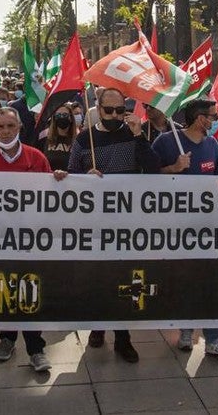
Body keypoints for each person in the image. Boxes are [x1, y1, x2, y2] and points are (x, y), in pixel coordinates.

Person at [0, 107, 64, 372]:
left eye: (10, 126)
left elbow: (51, 196)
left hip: (30, 237)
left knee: (30, 287)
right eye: (0, 127)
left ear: (19, 128)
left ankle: (36, 348)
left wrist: (61, 180)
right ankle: (7, 338)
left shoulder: (36, 157)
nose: (5, 132)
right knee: (3, 287)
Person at [68, 87, 159, 363]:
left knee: (123, 276)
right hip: (95, 223)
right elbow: (71, 175)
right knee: (98, 275)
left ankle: (123, 337)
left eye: (120, 110)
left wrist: (137, 136)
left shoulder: (133, 135)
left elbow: (154, 169)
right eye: (109, 110)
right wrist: (86, 176)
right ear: (98, 108)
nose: (115, 115)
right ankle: (97, 326)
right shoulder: (85, 140)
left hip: (127, 222)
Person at [151, 99, 218, 359]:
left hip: (208, 226)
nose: (214, 120)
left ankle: (214, 338)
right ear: (200, 118)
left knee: (211, 280)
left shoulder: (212, 144)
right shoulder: (167, 142)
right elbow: (146, 178)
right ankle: (186, 329)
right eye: (212, 116)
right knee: (185, 280)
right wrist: (173, 168)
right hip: (176, 227)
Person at [37, 102, 77, 171]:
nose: (61, 117)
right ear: (54, 118)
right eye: (58, 115)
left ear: (71, 118)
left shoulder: (78, 141)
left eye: (65, 115)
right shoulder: (44, 139)